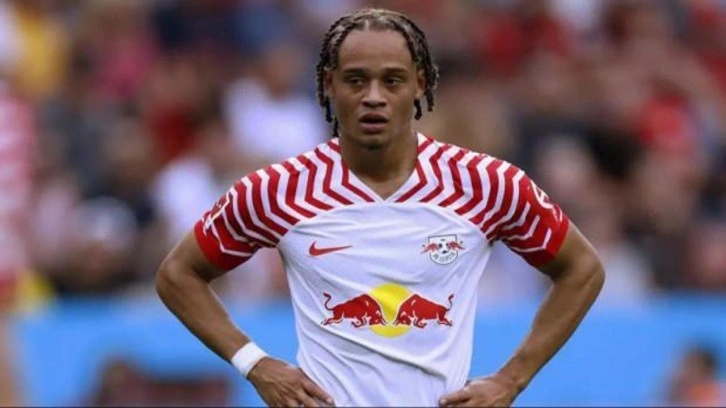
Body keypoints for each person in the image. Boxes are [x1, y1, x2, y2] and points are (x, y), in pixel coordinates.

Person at [156, 8, 605, 407]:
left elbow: (582, 269)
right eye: (356, 80)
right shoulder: (280, 190)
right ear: (328, 84)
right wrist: (255, 363)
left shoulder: (484, 183)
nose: (374, 96)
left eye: (392, 80)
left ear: (419, 84)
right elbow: (178, 274)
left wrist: (511, 379)